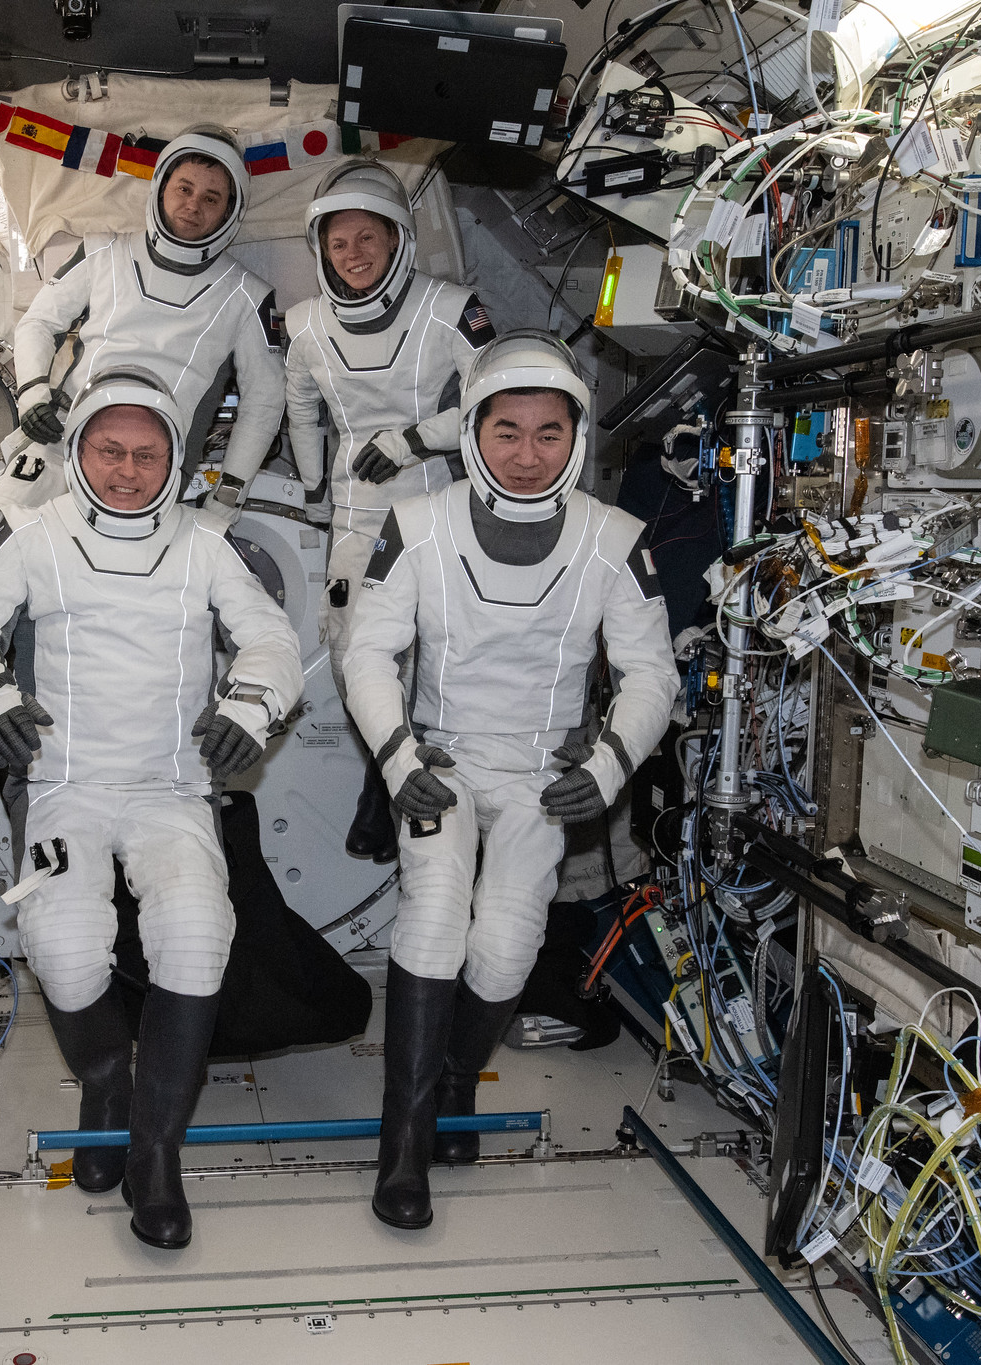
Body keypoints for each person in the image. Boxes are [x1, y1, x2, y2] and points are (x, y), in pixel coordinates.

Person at [0, 370, 302, 1251]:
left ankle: (155, 1153)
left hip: (172, 786)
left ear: (173, 462)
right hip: (65, 783)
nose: (128, 472)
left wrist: (250, 706)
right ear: (79, 451)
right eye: (109, 451)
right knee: (61, 944)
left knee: (197, 933)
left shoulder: (205, 544)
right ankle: (107, 1080)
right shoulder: (34, 535)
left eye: (146, 455)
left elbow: (270, 636)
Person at [339, 330, 680, 1231]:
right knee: (434, 918)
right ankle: (404, 1141)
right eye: (507, 432)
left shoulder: (614, 539)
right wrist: (398, 755)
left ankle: (454, 1083)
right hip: (440, 763)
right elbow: (367, 652)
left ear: (577, 437)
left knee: (504, 947)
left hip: (544, 774)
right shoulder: (418, 524)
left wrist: (609, 762)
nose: (528, 455)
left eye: (548, 433)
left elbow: (651, 673)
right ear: (473, 434)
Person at [281, 158, 496, 863]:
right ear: (321, 250)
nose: (354, 255)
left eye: (367, 238)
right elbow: (300, 405)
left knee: (433, 649)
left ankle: (418, 787)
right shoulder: (306, 325)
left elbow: (494, 400)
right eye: (339, 243)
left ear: (399, 237)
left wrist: (412, 440)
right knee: (353, 649)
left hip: (433, 504)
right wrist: (313, 483)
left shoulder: (450, 309)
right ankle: (387, 772)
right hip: (356, 515)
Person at [0, 124, 286, 566]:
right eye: (184, 188)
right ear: (162, 187)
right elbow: (38, 323)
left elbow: (265, 400)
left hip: (150, 469)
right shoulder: (101, 252)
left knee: (100, 582)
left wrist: (229, 492)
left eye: (211, 198)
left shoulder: (246, 296)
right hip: (62, 441)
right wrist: (33, 395)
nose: (193, 205)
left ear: (230, 211)